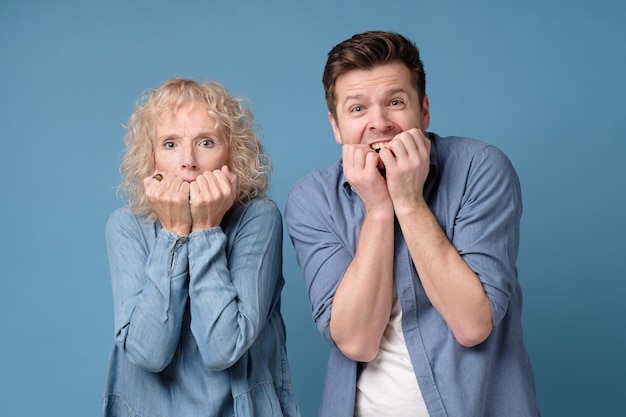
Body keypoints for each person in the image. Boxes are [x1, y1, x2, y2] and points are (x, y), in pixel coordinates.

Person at [285, 31, 541, 417]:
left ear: (423, 111)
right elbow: (357, 341)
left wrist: (407, 198)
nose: (380, 123)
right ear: (336, 127)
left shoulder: (480, 167)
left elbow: (473, 323)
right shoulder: (312, 199)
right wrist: (378, 210)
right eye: (357, 109)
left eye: (395, 102)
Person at [101, 78, 300, 417]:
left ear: (232, 155)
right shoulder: (126, 226)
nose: (188, 161)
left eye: (206, 142)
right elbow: (148, 353)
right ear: (151, 160)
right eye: (170, 144)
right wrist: (175, 234)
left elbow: (223, 348)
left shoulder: (258, 217)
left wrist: (206, 229)